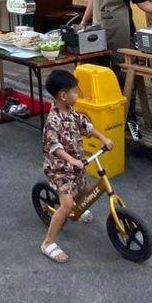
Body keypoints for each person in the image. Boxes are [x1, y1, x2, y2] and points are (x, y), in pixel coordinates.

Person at [39, 70, 112, 264]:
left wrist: (102, 137)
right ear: (63, 96)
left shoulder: (71, 112)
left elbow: (85, 126)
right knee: (67, 204)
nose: (77, 95)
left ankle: (77, 211)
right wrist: (71, 161)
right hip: (60, 169)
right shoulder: (53, 120)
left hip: (76, 165)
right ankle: (48, 243)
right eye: (74, 92)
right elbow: (54, 146)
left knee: (85, 190)